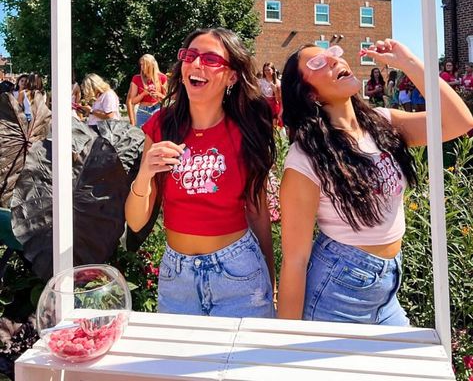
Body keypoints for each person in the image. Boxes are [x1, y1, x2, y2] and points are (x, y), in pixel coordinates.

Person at [277, 39, 472, 325]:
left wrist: (408, 62)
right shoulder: (305, 158)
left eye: (333, 53)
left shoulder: (382, 122)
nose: (333, 60)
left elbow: (458, 121)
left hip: (387, 291)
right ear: (309, 94)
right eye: (318, 63)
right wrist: (285, 340)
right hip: (337, 294)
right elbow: (295, 261)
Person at [125, 28, 276, 318]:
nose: (196, 64)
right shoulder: (161, 125)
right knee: (176, 362)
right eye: (190, 56)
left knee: (245, 362)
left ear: (232, 76)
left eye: (210, 59)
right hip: (176, 279)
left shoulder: (246, 130)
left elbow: (257, 211)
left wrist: (270, 280)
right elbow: (135, 221)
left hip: (239, 274)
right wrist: (144, 174)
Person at [126, 54, 167, 128]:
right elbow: (133, 101)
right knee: (141, 136)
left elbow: (167, 99)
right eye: (141, 65)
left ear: (151, 65)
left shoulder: (162, 77)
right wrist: (143, 94)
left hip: (157, 108)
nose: (142, 67)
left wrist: (158, 95)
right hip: (143, 110)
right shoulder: (136, 78)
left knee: (158, 136)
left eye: (144, 65)